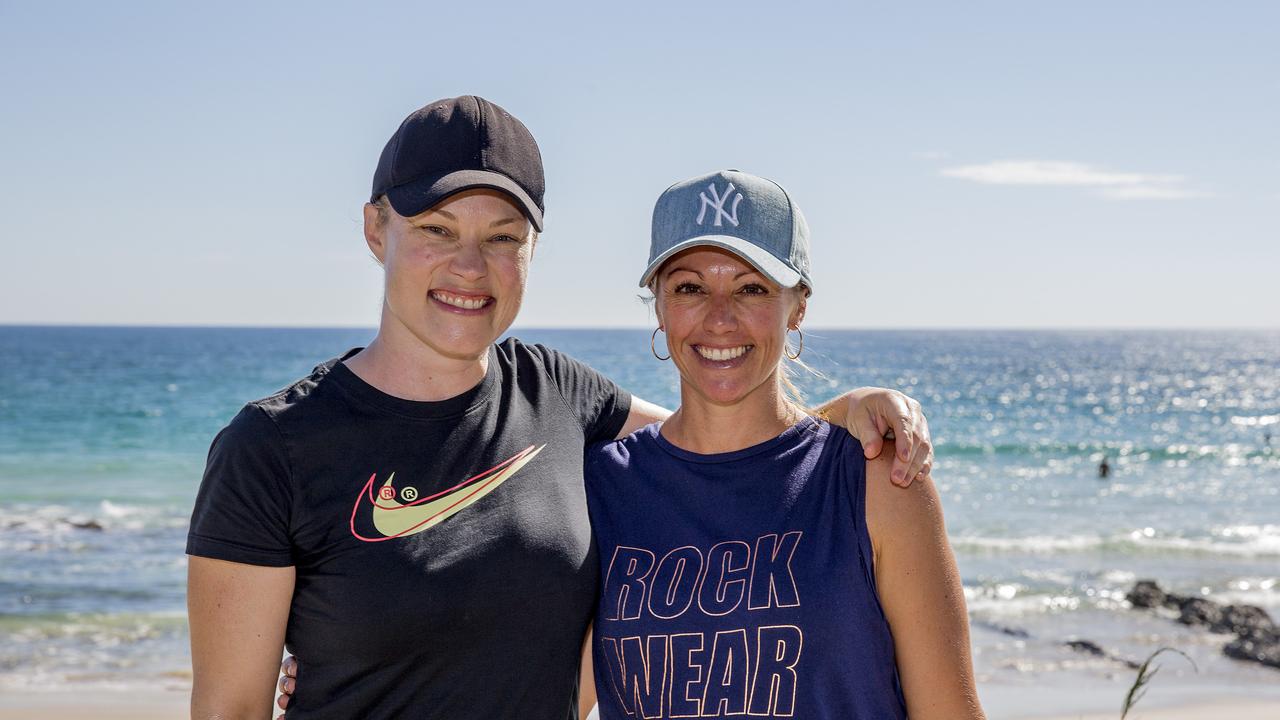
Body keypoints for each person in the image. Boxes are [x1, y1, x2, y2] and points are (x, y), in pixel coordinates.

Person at [189, 97, 935, 720]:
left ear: (533, 250)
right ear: (375, 228)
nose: (469, 267)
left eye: (502, 238)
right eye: (437, 230)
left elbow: (723, 439)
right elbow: (231, 710)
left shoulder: (560, 396)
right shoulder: (272, 446)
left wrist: (853, 410)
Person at [580, 170, 982, 718]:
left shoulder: (874, 477)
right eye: (690, 288)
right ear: (659, 305)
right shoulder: (600, 487)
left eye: (752, 289)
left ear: (799, 307)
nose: (719, 318)